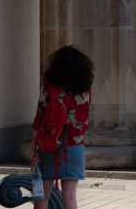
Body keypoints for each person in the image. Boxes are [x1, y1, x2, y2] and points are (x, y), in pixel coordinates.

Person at [31, 45, 94, 209]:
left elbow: (39, 117)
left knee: (42, 194)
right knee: (70, 196)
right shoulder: (85, 90)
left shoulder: (49, 88)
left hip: (49, 144)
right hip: (74, 146)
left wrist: (34, 147)